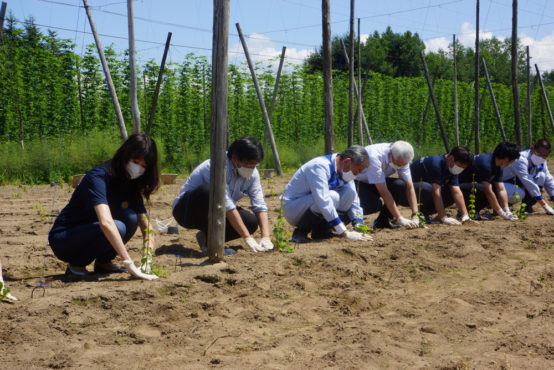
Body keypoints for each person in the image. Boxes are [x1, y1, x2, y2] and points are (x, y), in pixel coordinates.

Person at [48, 133, 160, 280]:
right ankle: (76, 266)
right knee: (117, 227)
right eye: (135, 161)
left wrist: (147, 259)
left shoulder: (130, 183)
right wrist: (129, 264)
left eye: (143, 166)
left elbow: (146, 226)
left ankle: (103, 262)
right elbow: (106, 223)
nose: (138, 168)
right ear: (124, 155)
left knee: (131, 217)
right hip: (66, 238)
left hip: (92, 231)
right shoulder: (98, 177)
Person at [172, 136, 273, 255]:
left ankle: (207, 239)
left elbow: (259, 204)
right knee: (211, 191)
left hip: (218, 210)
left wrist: (265, 237)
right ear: (235, 158)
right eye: (248, 163)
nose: (251, 168)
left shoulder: (253, 174)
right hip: (186, 211)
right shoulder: (216, 166)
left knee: (250, 222)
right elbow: (227, 204)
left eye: (255, 164)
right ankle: (213, 245)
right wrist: (247, 237)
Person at [281, 145, 372, 243]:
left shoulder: (345, 170)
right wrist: (345, 233)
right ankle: (300, 232)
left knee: (349, 193)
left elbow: (354, 201)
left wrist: (358, 224)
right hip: (293, 208)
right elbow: (324, 201)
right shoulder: (319, 166)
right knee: (333, 197)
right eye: (357, 171)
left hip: (310, 204)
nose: (356, 175)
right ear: (347, 162)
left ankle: (322, 231)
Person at [356, 141, 420, 229]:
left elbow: (410, 187)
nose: (399, 167)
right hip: (359, 182)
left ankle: (383, 222)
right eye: (398, 164)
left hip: (378, 181)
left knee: (400, 185)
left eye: (402, 165)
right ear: (390, 154)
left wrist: (415, 214)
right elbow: (384, 192)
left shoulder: (402, 157)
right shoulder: (374, 156)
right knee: (373, 205)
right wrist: (400, 218)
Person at [409, 146, 474, 225]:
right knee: (427, 189)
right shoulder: (435, 163)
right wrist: (443, 217)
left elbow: (456, 190)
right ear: (451, 158)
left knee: (451, 194)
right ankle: (421, 213)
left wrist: (465, 215)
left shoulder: (451, 167)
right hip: (410, 192)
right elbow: (436, 192)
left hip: (426, 192)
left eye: (463, 167)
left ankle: (426, 213)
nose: (460, 169)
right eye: (460, 165)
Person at [458, 142, 520, 220]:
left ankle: (474, 211)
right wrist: (501, 213)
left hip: (471, 187)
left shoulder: (498, 166)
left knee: (493, 189)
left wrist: (507, 210)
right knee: (483, 189)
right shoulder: (485, 163)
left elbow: (501, 189)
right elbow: (488, 191)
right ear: (507, 159)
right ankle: (465, 212)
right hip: (458, 188)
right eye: (513, 160)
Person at [501, 139, 554, 215]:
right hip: (504, 183)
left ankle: (527, 206)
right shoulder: (520, 159)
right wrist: (545, 205)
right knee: (518, 194)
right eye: (539, 153)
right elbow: (528, 181)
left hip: (518, 184)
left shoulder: (542, 161)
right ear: (532, 148)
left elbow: (548, 179)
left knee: (542, 176)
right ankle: (501, 205)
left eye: (545, 156)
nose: (541, 157)